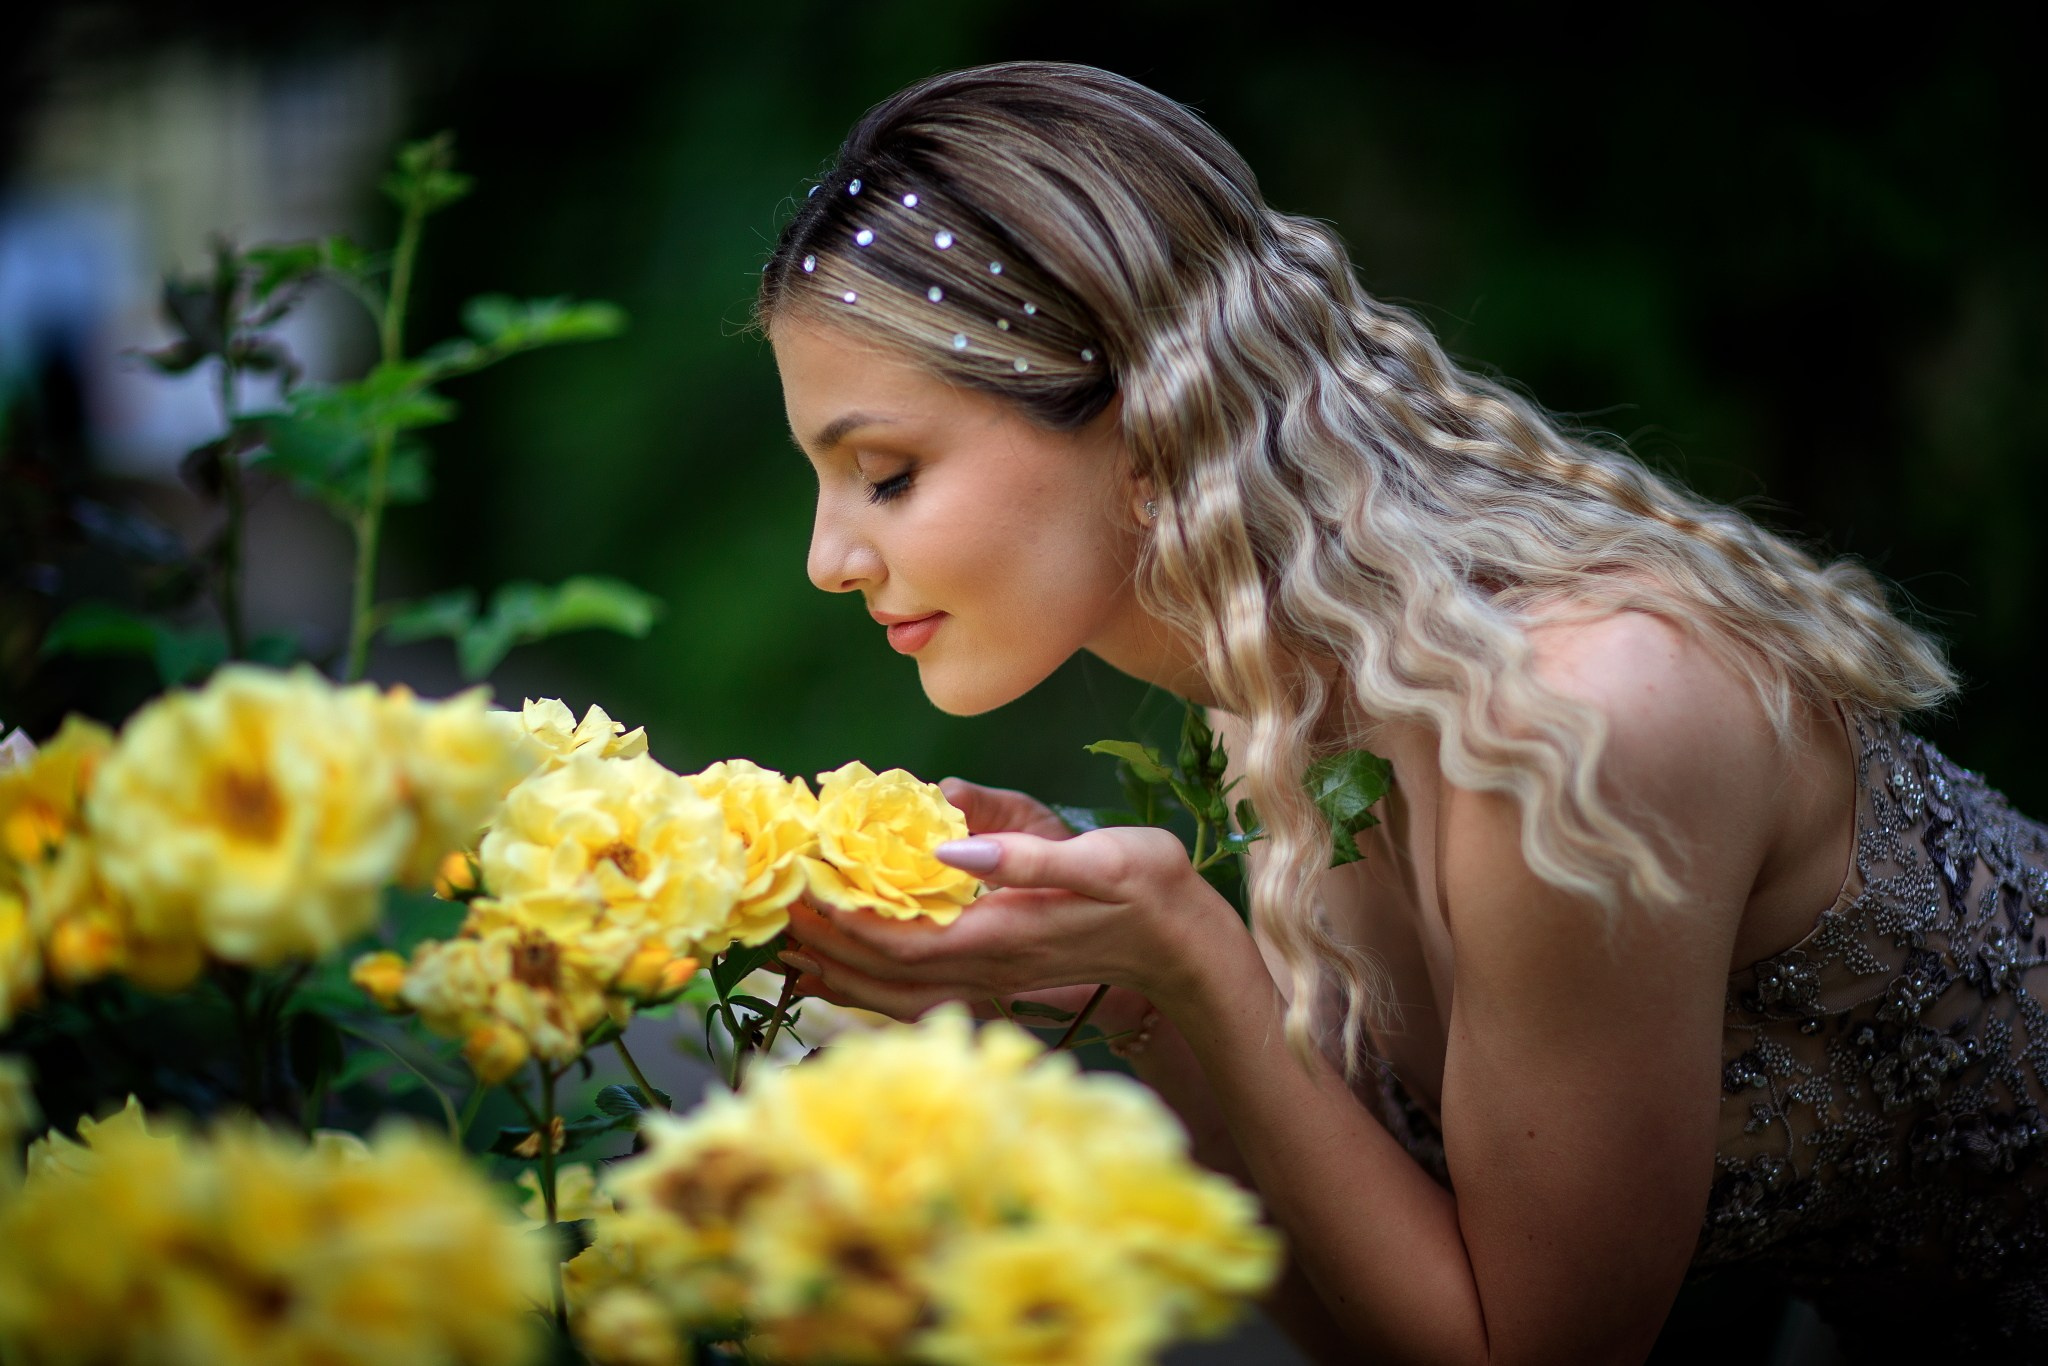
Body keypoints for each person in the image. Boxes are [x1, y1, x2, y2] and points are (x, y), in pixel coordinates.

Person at [756, 61, 2048, 1362]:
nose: (828, 558)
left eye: (887, 473)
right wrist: (1129, 984)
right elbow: (1401, 1321)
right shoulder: (1286, 704)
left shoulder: (1565, 726)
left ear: (1144, 429)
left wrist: (1195, 954)